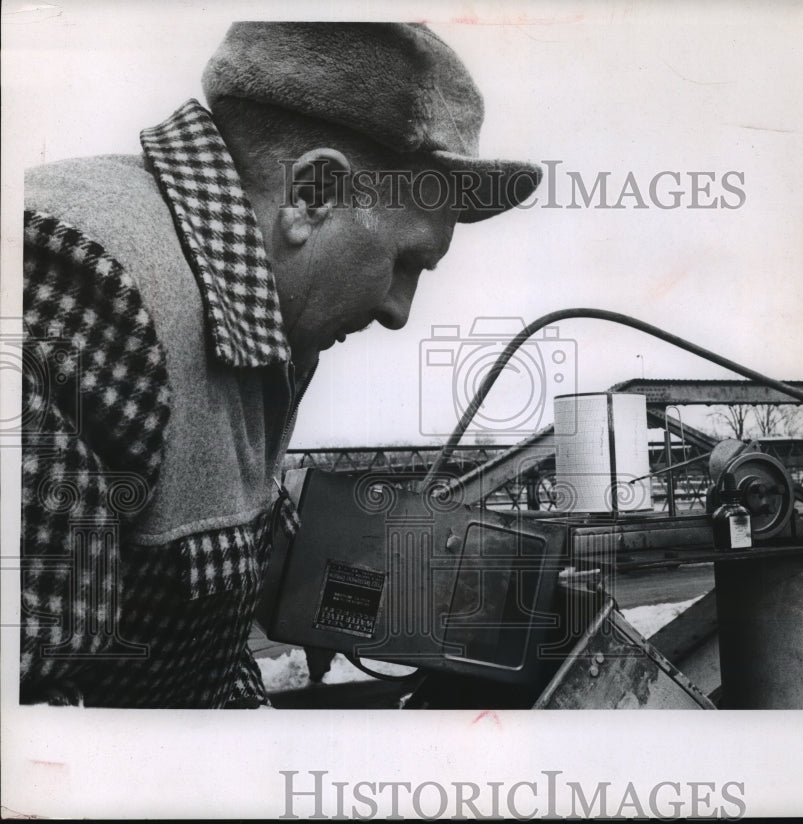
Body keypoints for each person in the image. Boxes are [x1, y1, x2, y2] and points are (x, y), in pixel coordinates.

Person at [20, 22, 541, 708]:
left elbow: (236, 585)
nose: (398, 310)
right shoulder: (77, 286)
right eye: (406, 261)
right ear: (314, 194)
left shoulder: (267, 328)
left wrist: (493, 603)